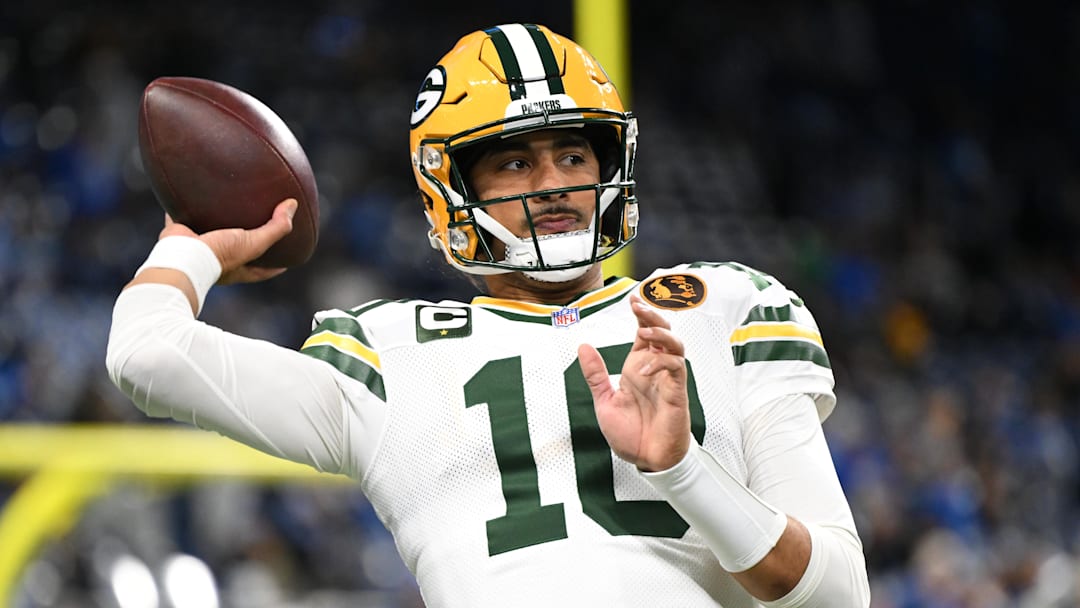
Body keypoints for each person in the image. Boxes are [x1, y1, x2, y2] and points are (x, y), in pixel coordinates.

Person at [107, 23, 871, 607]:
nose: (554, 184)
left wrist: (681, 470)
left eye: (574, 156)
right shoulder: (385, 352)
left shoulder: (722, 306)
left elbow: (839, 591)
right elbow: (145, 354)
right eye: (514, 161)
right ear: (449, 189)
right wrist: (196, 245)